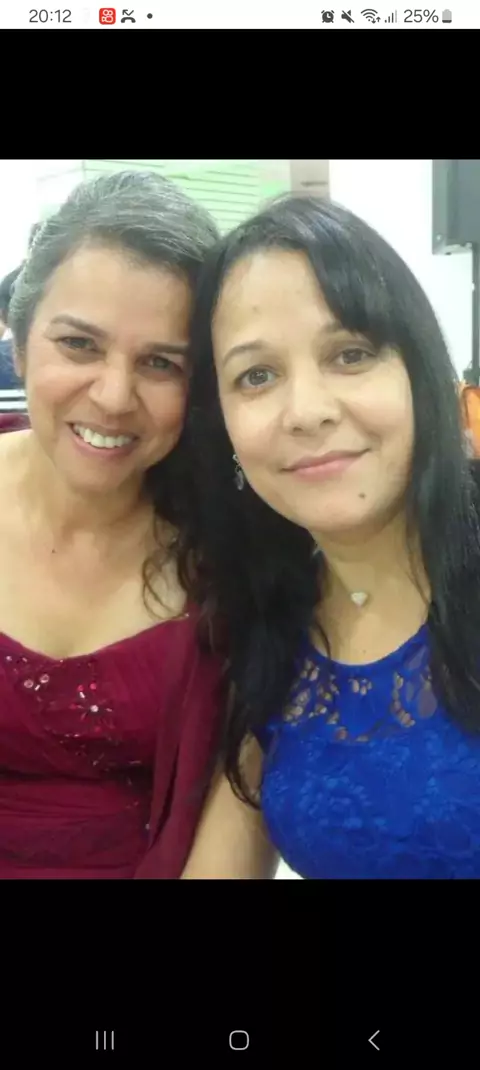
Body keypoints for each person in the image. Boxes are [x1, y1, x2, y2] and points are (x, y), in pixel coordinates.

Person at [182, 194, 480, 880]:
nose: (307, 411)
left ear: (420, 375)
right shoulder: (268, 626)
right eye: (257, 376)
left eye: (350, 354)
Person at [0, 169, 224, 879]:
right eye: (79, 344)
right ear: (18, 342)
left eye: (160, 363)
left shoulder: (232, 555)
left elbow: (238, 806)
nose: (114, 395)